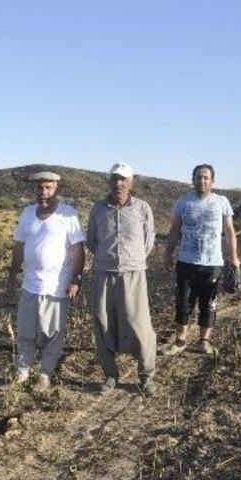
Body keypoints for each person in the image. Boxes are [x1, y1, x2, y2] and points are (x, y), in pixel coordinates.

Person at [7, 171, 85, 390]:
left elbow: (78, 249)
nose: (44, 192)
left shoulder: (67, 215)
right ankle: (21, 374)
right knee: (25, 332)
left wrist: (75, 279)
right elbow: (19, 246)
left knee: (52, 334)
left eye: (48, 188)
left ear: (56, 189)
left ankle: (45, 375)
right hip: (30, 284)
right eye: (40, 188)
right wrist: (13, 274)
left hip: (56, 286)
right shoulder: (27, 213)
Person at [86, 162, 157, 394]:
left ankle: (146, 376)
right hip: (103, 273)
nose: (119, 183)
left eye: (123, 179)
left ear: (131, 182)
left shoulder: (142, 208)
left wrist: (131, 259)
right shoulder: (98, 209)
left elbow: (148, 242)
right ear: (109, 181)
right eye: (115, 178)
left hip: (133, 273)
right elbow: (92, 241)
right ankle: (110, 375)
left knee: (140, 325)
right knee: (103, 323)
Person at [163, 164, 241, 357]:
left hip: (213, 263)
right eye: (198, 177)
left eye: (206, 177)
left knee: (209, 304)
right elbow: (174, 231)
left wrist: (234, 258)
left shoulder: (222, 202)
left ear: (212, 181)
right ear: (193, 180)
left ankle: (204, 341)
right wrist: (167, 254)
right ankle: (180, 341)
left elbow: (229, 231)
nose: (202, 180)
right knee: (182, 303)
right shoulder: (183, 202)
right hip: (186, 261)